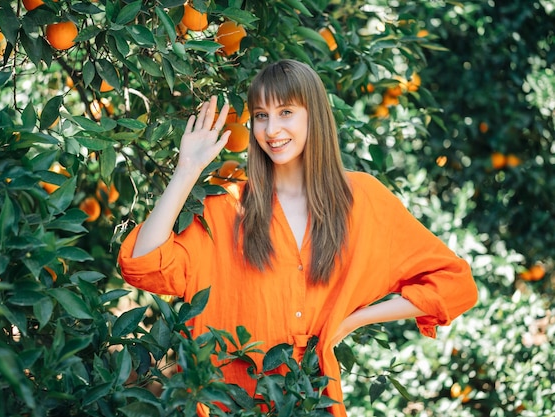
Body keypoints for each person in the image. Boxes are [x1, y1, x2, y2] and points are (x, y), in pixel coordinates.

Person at [118, 59, 478, 416]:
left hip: (311, 403)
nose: (272, 129)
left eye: (286, 112)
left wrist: (352, 319)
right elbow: (143, 264)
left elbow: (453, 284)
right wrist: (187, 171)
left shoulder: (361, 199)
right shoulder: (226, 205)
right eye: (261, 115)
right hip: (225, 404)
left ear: (314, 116)